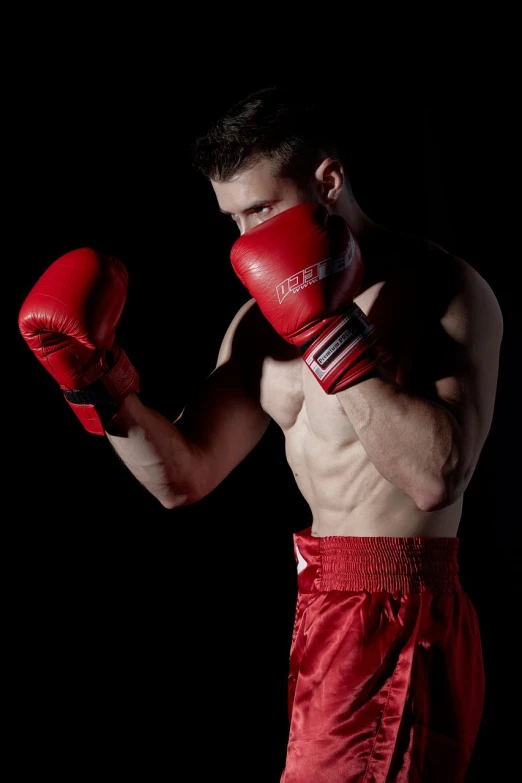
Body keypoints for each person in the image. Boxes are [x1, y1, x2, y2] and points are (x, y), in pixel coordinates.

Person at [18, 84, 503, 782]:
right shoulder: (255, 323)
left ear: (328, 180)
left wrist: (326, 332)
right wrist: (95, 382)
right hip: (321, 610)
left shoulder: (442, 290)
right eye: (233, 219)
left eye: (262, 208)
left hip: (401, 615)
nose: (248, 240)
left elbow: (437, 476)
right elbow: (183, 477)